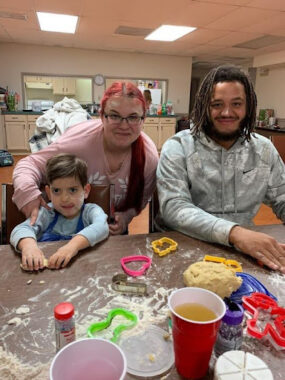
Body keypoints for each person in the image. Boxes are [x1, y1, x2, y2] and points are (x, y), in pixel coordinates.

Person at [156, 64, 285, 273]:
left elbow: (282, 197)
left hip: (244, 253)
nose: (227, 112)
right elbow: (174, 207)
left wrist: (242, 238)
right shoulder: (178, 146)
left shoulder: (263, 149)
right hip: (182, 248)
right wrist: (236, 234)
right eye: (217, 104)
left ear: (248, 106)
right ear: (203, 106)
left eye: (236, 103)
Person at [12, 82, 159, 235]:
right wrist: (28, 194)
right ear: (102, 116)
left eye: (133, 117)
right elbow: (29, 165)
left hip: (110, 234)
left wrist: (126, 217)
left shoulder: (148, 158)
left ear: (143, 119)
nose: (123, 125)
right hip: (63, 229)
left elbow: (140, 200)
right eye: (115, 116)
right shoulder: (78, 143)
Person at [10, 153, 109, 271]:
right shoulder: (47, 213)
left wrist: (72, 247)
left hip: (82, 270)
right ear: (48, 192)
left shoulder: (90, 211)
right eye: (56, 190)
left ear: (86, 190)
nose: (64, 199)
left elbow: (101, 226)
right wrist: (28, 246)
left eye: (72, 190)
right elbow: (20, 229)